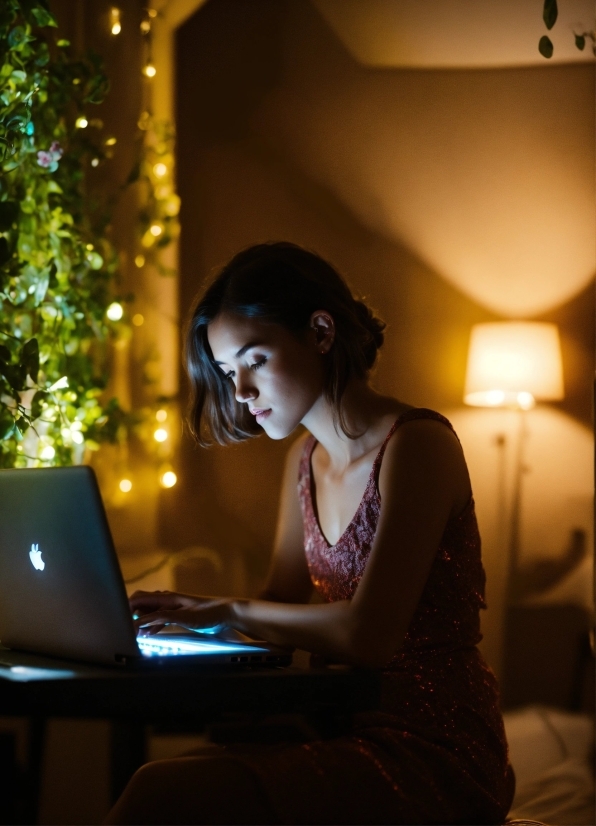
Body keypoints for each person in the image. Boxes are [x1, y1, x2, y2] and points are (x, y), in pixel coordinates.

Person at [105, 242, 515, 825]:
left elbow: (368, 635)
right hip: (339, 720)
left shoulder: (418, 445)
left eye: (255, 360)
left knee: (160, 798)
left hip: (435, 745)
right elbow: (278, 605)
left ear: (321, 332)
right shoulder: (305, 459)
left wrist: (220, 608)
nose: (240, 392)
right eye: (227, 372)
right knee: (160, 778)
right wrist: (173, 628)